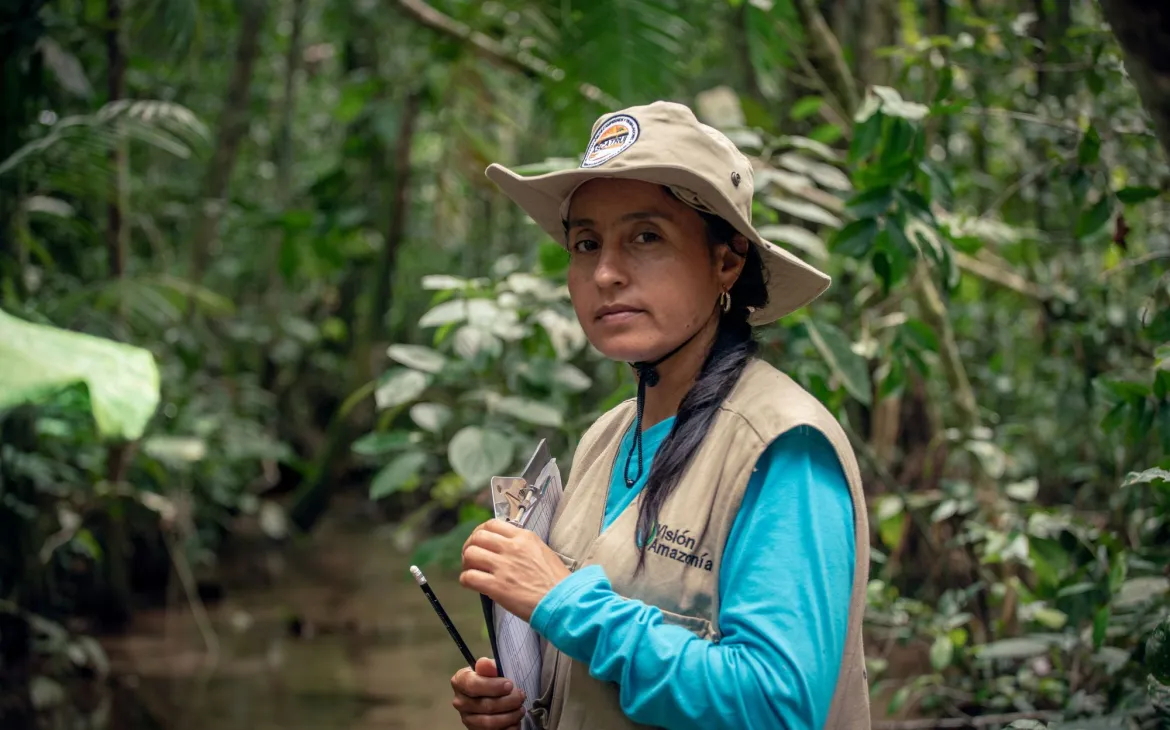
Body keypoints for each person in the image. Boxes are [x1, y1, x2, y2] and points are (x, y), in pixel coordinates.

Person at [450, 100, 871, 730]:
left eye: (646, 237)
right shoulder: (607, 437)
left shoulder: (781, 445)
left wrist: (563, 600)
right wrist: (525, 703)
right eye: (585, 243)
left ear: (726, 261)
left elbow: (779, 706)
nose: (606, 272)